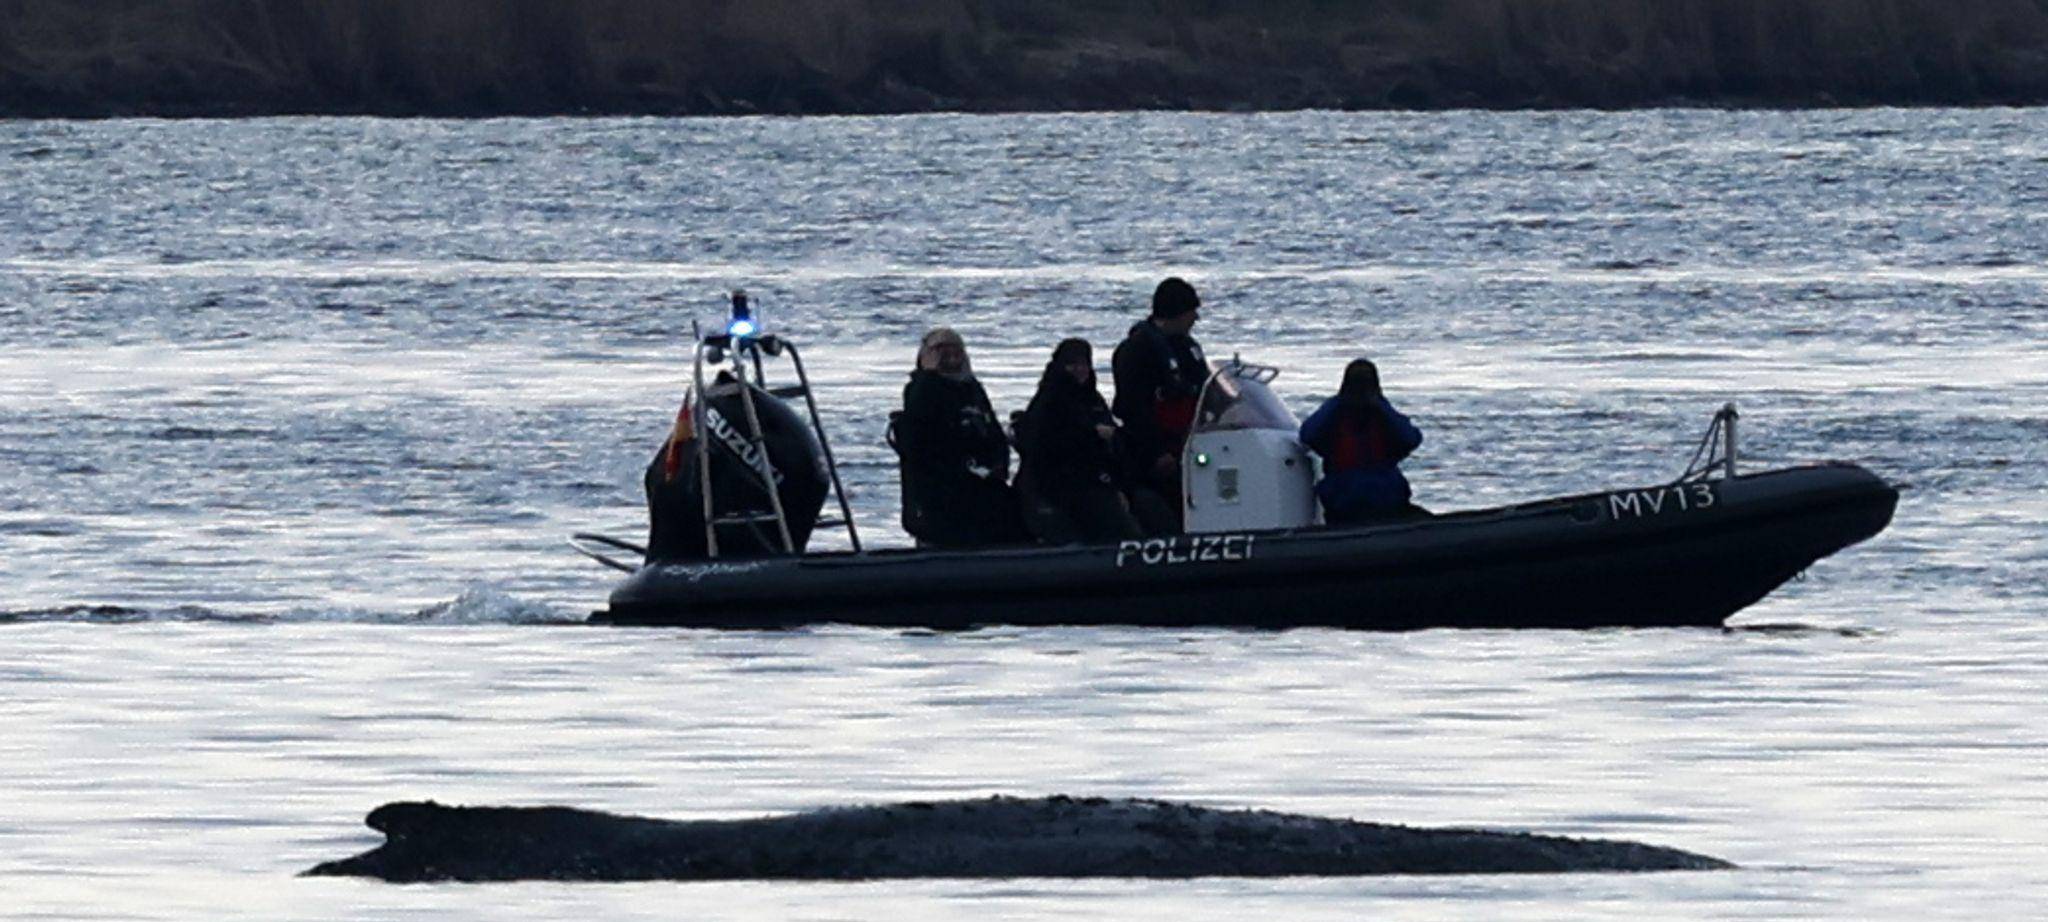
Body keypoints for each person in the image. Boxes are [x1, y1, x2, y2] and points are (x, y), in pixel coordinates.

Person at [891, 328, 1029, 548]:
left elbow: (993, 432)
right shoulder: (921, 390)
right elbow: (921, 444)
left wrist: (996, 466)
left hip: (982, 484)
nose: (951, 358)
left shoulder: (972, 388)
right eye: (942, 352)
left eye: (956, 352)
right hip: (942, 492)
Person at [1014, 338, 1144, 544]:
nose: (1079, 370)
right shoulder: (1050, 401)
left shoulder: (1093, 400)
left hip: (1095, 481)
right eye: (1072, 364)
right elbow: (1046, 445)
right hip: (1060, 486)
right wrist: (1092, 434)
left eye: (1084, 364)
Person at [1111, 277, 1209, 534]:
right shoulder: (1136, 351)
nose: (1195, 319)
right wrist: (1155, 452)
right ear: (1176, 313)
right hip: (1153, 452)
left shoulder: (1188, 349)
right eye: (1191, 312)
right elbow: (1133, 407)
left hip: (1188, 444)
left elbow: (1206, 389)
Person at [1298, 359, 1427, 525]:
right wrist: (1342, 403)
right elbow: (1308, 434)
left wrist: (1379, 406)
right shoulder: (1335, 414)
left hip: (1382, 501)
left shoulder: (1380, 414)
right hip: (1348, 504)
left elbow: (1411, 438)